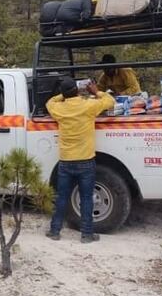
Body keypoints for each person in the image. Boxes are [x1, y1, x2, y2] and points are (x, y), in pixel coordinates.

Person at [46, 77, 115, 242]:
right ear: (77, 90)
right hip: (85, 160)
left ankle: (55, 231)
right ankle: (86, 234)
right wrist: (96, 91)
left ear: (63, 93)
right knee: (86, 198)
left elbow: (49, 102)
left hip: (65, 161)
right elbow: (110, 101)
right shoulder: (88, 105)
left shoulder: (59, 109)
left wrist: (63, 95)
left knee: (62, 197)